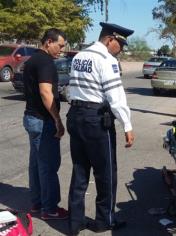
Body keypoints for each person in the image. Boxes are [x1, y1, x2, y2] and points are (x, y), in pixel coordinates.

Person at [66, 22, 134, 235]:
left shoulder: (79, 56)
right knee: (106, 172)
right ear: (110, 39)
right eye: (120, 44)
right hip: (96, 120)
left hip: (75, 116)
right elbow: (116, 96)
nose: (121, 49)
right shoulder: (107, 60)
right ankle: (105, 220)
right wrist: (127, 124)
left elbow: (72, 87)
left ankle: (74, 222)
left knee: (80, 170)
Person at [23, 28, 68, 220]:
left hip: (31, 118)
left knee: (36, 164)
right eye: (60, 45)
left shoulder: (32, 60)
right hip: (42, 121)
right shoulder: (46, 62)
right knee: (48, 165)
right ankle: (49, 208)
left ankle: (37, 203)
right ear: (48, 42)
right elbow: (45, 93)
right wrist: (58, 120)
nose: (61, 50)